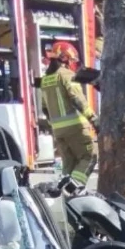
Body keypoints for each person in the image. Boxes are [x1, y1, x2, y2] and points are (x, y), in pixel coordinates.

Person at [39, 42, 98, 189]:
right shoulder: (67, 75)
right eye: (71, 60)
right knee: (89, 157)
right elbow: (77, 99)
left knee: (68, 166)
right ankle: (74, 188)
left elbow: (45, 108)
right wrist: (93, 119)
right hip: (75, 127)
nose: (72, 63)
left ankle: (63, 195)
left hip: (58, 131)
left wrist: (54, 125)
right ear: (65, 58)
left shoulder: (45, 80)